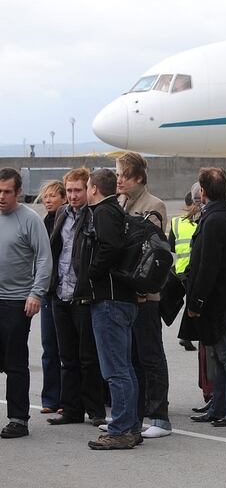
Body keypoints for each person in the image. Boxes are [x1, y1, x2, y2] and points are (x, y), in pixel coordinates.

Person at [187, 167, 226, 427]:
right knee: (222, 355)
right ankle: (220, 406)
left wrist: (196, 301)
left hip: (219, 298)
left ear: (203, 191)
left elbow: (208, 265)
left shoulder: (214, 220)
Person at [116, 152, 173, 439]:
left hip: (146, 295)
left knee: (151, 355)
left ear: (139, 177)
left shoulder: (155, 205)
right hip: (126, 293)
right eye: (117, 174)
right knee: (132, 357)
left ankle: (160, 416)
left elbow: (152, 251)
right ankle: (134, 416)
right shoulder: (122, 202)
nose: (119, 179)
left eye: (124, 174)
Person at [82, 168, 139, 449]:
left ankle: (120, 430)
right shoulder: (117, 210)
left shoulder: (104, 212)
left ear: (94, 189)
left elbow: (110, 247)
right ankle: (131, 425)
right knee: (124, 367)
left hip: (110, 300)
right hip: (123, 299)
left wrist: (91, 273)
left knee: (115, 369)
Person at [46, 169, 106, 428]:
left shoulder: (94, 216)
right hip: (61, 293)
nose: (72, 195)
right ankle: (71, 409)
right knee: (66, 357)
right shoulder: (61, 214)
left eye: (77, 190)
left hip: (82, 294)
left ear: (88, 189)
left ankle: (95, 409)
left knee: (87, 357)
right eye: (69, 191)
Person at [0, 168, 52, 439]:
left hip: (17, 301)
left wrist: (36, 294)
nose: (1, 196)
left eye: (7, 191)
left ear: (18, 192)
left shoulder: (30, 220)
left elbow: (44, 259)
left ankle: (18, 419)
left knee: (15, 362)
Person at [38, 180, 65, 415]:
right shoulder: (42, 223)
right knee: (49, 348)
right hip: (47, 292)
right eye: (45, 196)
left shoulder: (66, 222)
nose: (48, 200)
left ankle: (67, 398)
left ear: (64, 199)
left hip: (63, 292)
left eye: (53, 196)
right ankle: (50, 398)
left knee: (66, 348)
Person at [170, 190, 199, 351]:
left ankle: (186, 337)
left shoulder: (176, 222)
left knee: (190, 301)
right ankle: (186, 336)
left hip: (180, 270)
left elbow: (171, 246)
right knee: (193, 303)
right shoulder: (201, 222)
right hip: (193, 269)